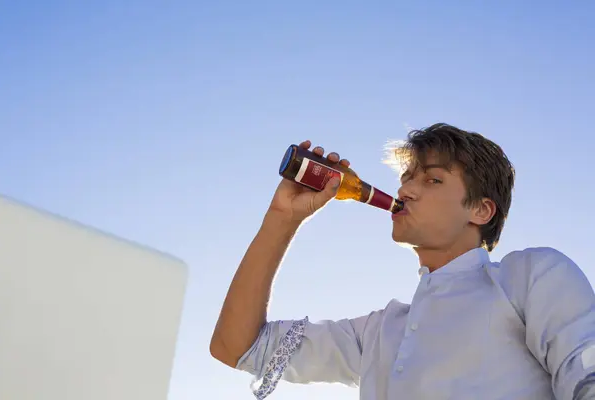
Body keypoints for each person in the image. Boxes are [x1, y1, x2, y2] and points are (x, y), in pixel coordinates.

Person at [209, 123, 595, 399]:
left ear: (480, 209)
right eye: (407, 177)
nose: (405, 189)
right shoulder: (379, 333)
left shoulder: (530, 276)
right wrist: (283, 218)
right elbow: (238, 347)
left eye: (432, 180)